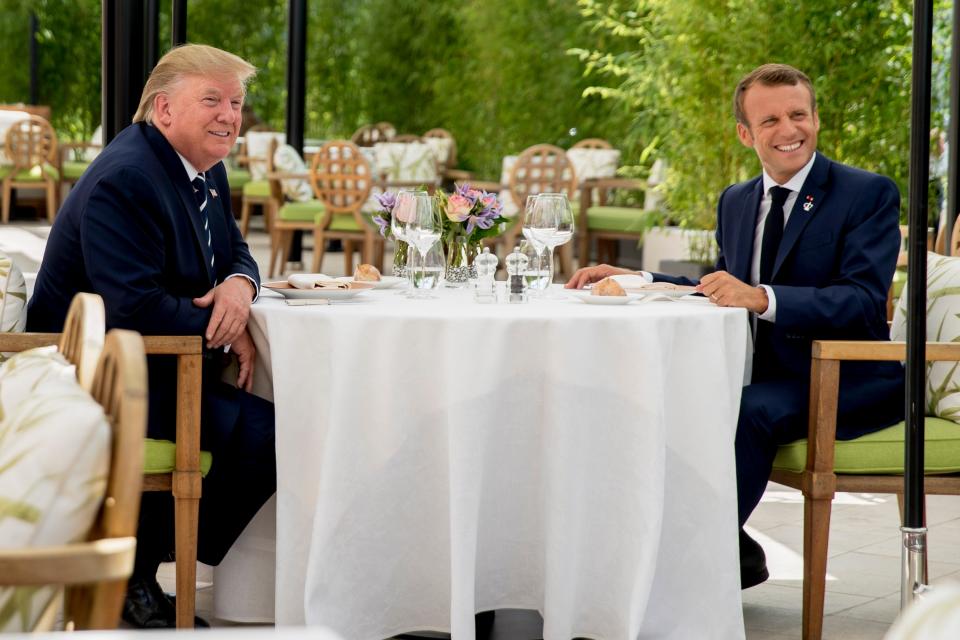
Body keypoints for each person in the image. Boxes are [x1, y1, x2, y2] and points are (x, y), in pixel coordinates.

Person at [567, 63, 904, 589]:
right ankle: (727, 551)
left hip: (847, 379)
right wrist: (638, 277)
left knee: (746, 410)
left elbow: (861, 303)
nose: (788, 130)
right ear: (746, 134)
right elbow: (720, 285)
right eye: (770, 121)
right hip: (763, 371)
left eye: (798, 114)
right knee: (650, 395)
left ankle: (685, 571)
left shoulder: (866, 193)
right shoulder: (736, 199)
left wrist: (763, 298)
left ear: (816, 119)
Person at [27, 44, 275, 627]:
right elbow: (132, 307)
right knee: (266, 436)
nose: (229, 116)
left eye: (236, 103)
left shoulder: (202, 167)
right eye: (211, 100)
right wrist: (222, 333)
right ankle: (134, 575)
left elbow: (234, 250)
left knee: (268, 425)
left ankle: (141, 569)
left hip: (155, 360)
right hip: (94, 377)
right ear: (163, 109)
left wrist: (239, 288)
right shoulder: (129, 177)